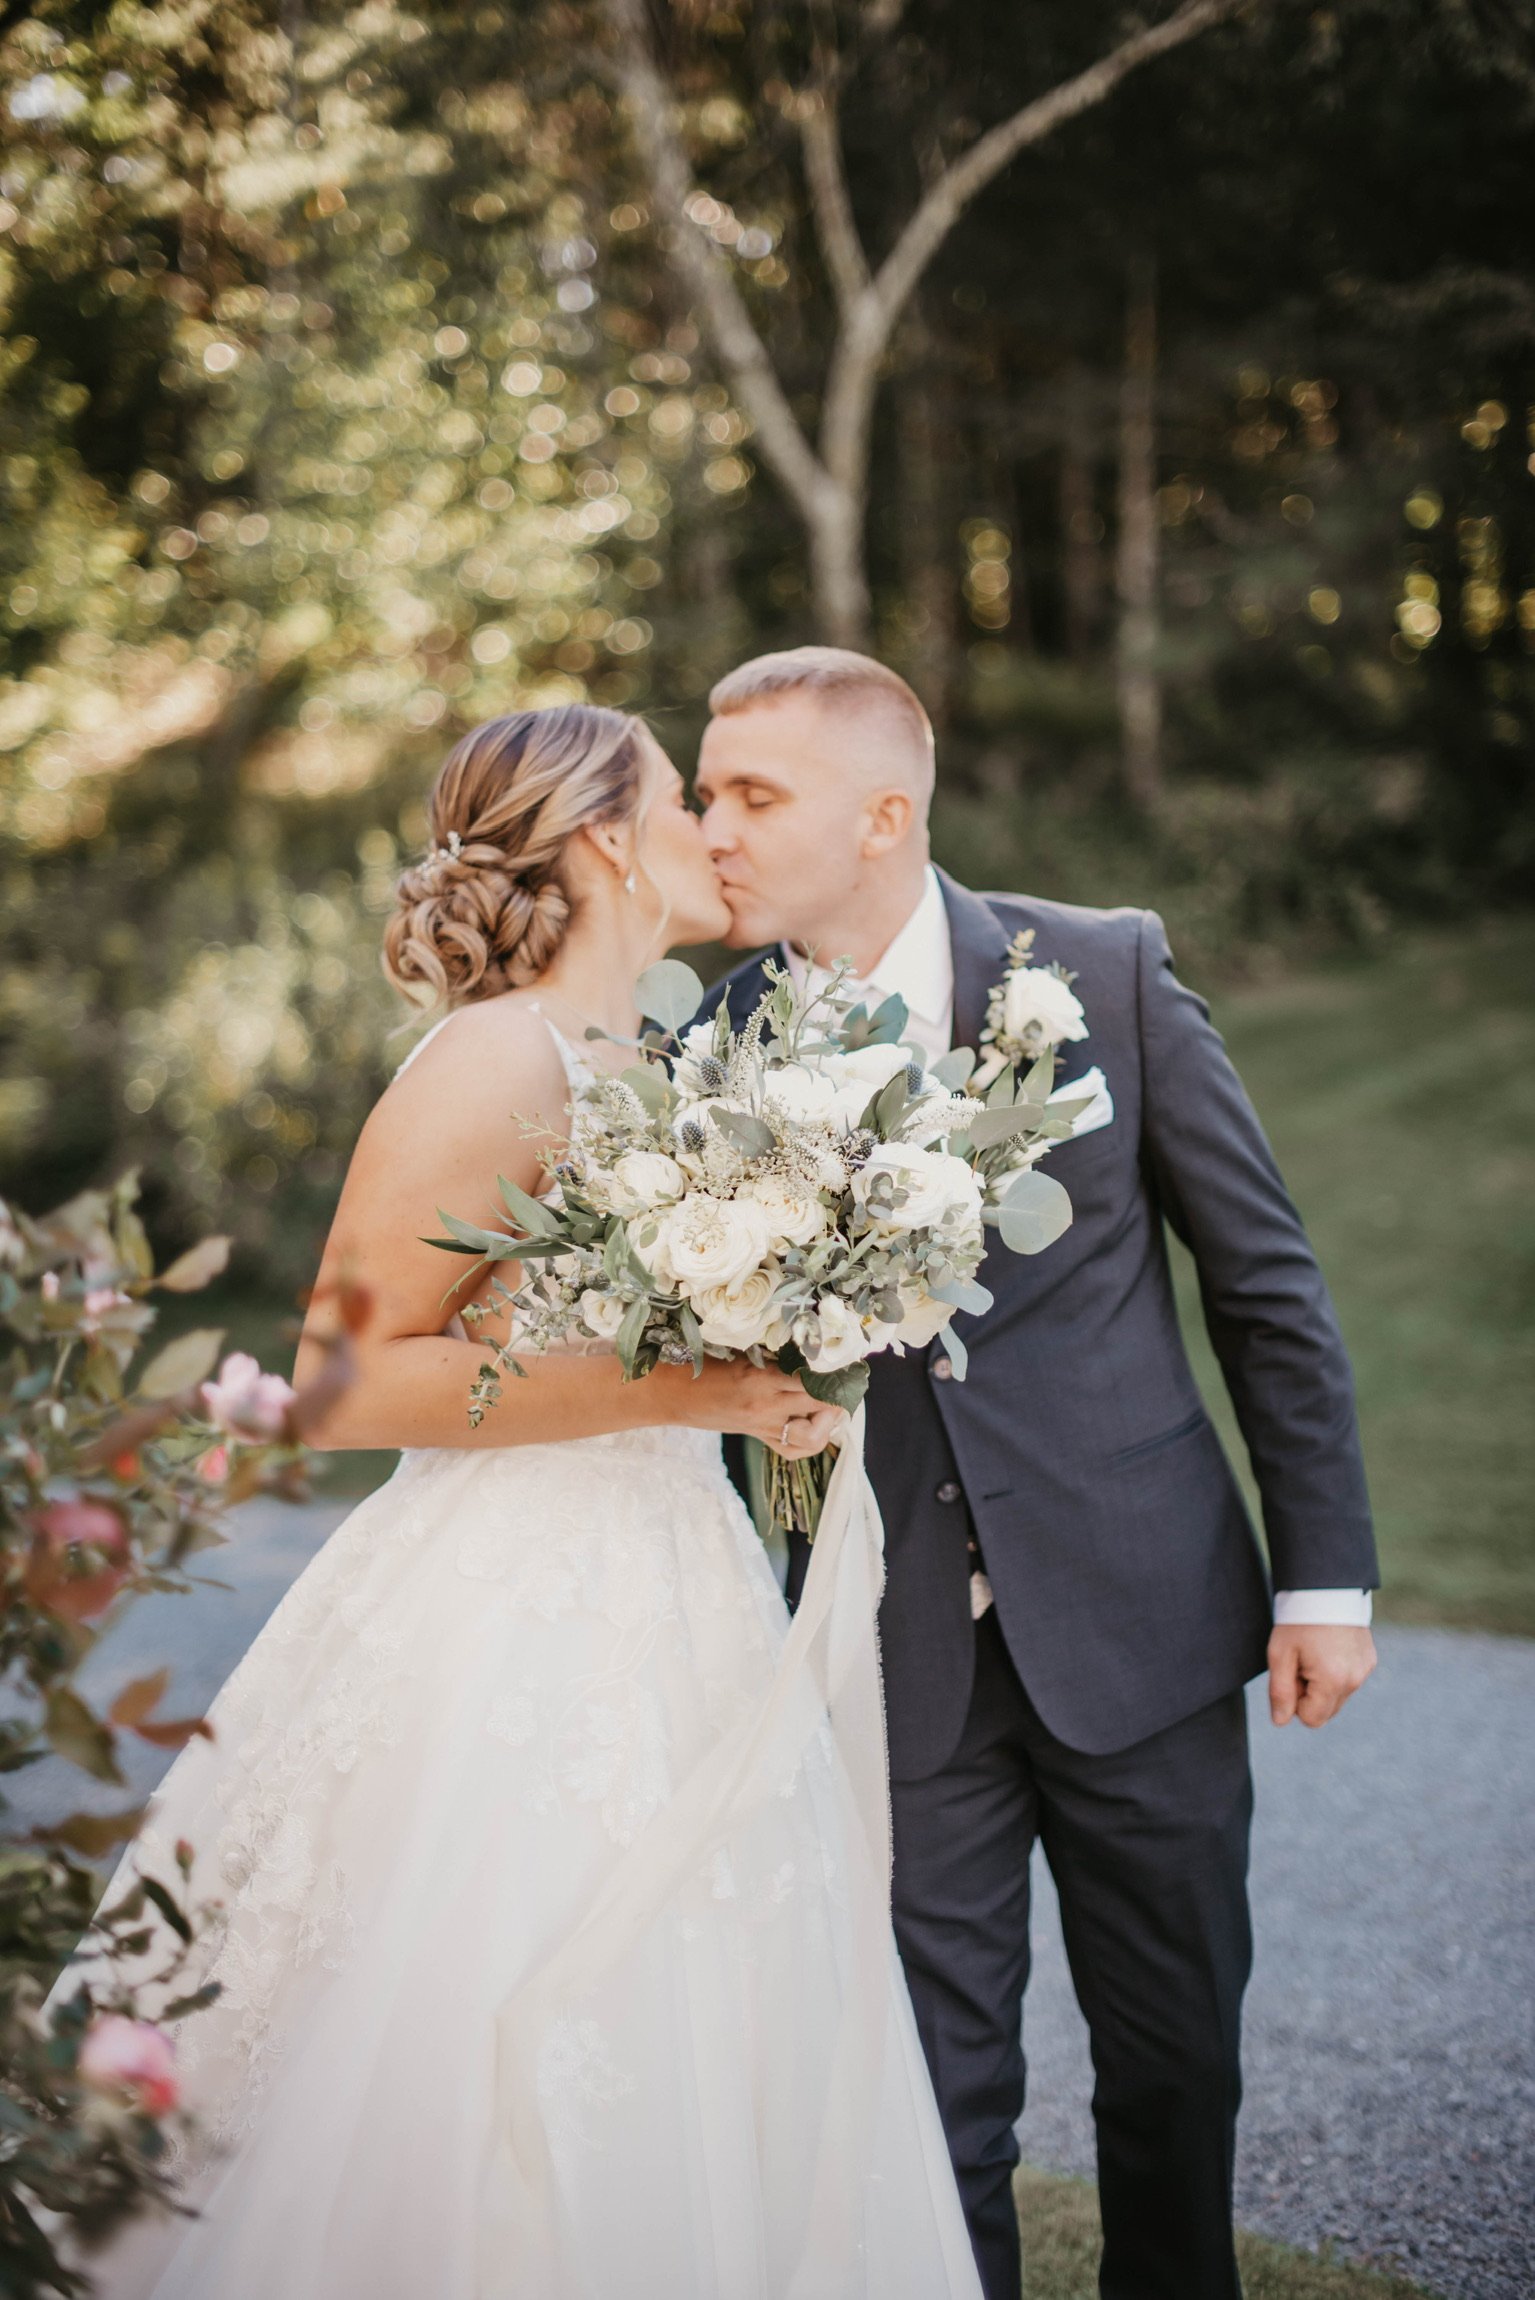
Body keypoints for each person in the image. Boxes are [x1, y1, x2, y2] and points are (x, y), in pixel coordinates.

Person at [65, 705, 983, 2300]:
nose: (713, 821)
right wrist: (692, 1389)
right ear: (613, 843)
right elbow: (342, 1383)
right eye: (680, 795)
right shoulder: (496, 1057)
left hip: (679, 1573)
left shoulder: (661, 1060)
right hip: (510, 1608)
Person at [696, 645, 1380, 2300]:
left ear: (883, 814)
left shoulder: (1104, 973)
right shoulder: (714, 1039)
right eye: (705, 790)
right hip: (890, 1638)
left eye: (749, 795)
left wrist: (1326, 1577)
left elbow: (1266, 1289)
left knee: (1173, 2064)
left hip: (1140, 1613)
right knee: (933, 2097)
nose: (709, 826)